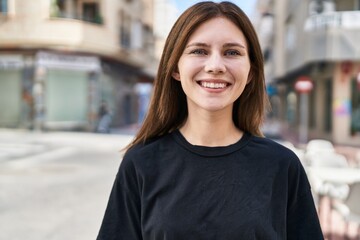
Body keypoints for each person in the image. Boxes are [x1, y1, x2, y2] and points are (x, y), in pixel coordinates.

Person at [97, 1, 324, 239]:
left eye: (232, 52)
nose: (215, 66)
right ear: (175, 68)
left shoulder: (283, 166)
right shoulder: (141, 163)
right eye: (199, 51)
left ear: (251, 73)